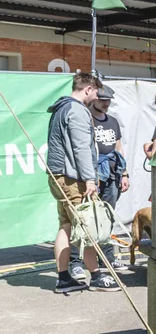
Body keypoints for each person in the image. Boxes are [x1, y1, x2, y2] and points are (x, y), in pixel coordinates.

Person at [46, 72, 117, 294]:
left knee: (66, 225)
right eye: (96, 92)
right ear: (87, 89)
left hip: (59, 176)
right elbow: (81, 149)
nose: (97, 97)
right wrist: (89, 179)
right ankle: (96, 276)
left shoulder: (61, 108)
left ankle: (63, 277)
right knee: (88, 226)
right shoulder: (76, 110)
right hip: (71, 178)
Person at [89, 84, 130, 271]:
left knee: (108, 217)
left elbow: (118, 148)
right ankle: (89, 258)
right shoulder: (87, 120)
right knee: (92, 217)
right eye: (102, 100)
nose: (106, 103)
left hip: (113, 174)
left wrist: (124, 173)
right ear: (94, 99)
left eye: (108, 101)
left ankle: (107, 256)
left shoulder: (112, 121)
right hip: (95, 175)